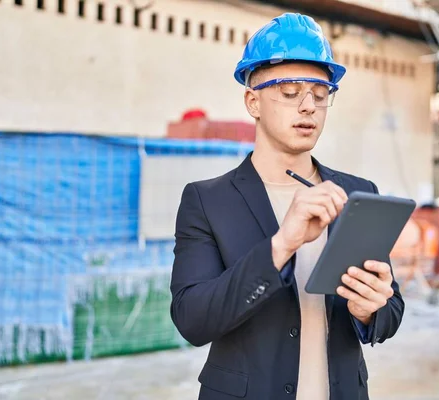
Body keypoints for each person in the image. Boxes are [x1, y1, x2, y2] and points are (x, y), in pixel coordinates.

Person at [170, 12, 404, 400]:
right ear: (253, 102)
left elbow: (390, 309)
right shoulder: (208, 200)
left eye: (320, 92)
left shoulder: (355, 193)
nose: (309, 106)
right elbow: (193, 320)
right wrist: (281, 245)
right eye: (290, 91)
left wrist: (371, 309)